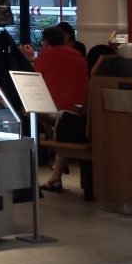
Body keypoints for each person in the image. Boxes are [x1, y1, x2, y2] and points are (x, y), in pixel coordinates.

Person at [20, 25, 88, 193]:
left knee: (28, 111)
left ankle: (54, 151)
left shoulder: (46, 55)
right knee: (49, 120)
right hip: (82, 108)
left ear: (45, 42)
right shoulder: (77, 54)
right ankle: (55, 166)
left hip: (62, 109)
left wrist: (30, 58)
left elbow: (34, 80)